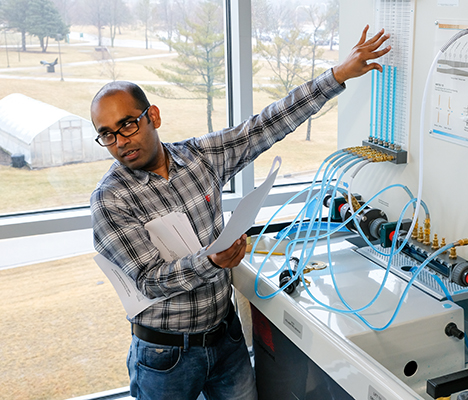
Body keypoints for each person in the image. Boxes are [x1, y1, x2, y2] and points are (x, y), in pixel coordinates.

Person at [90, 25, 390, 400]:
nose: (120, 142)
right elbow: (149, 281)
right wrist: (212, 260)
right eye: (107, 135)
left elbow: (263, 126)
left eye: (128, 125)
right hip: (165, 356)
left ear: (153, 116)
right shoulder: (111, 200)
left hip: (225, 337)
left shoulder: (200, 158)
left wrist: (338, 75)